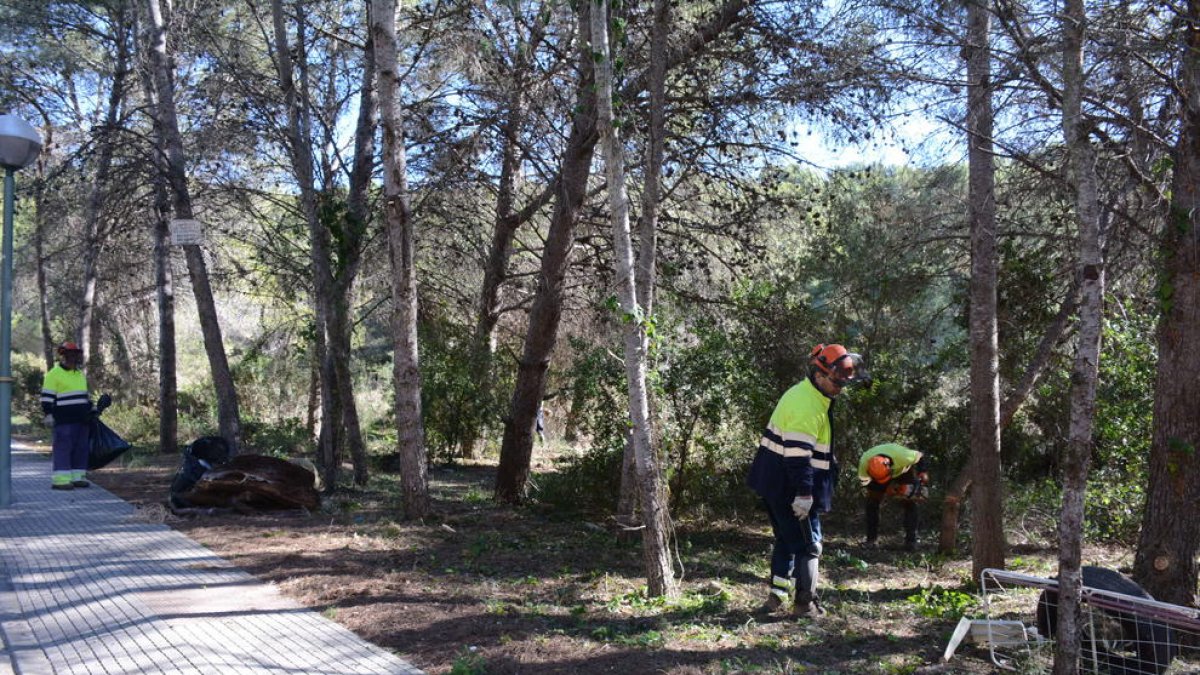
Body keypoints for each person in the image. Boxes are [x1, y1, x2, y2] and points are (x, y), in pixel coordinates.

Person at [747, 343, 868, 617]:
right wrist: (804, 494)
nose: (841, 388)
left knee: (786, 538)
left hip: (776, 483)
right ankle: (805, 604)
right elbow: (797, 457)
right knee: (809, 546)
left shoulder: (807, 394)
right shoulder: (808, 405)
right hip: (790, 487)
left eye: (844, 383)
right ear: (819, 374)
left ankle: (777, 596)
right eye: (837, 382)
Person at [40, 341, 96, 490]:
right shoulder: (54, 374)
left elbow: (83, 395)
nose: (73, 357)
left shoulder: (79, 374)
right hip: (64, 420)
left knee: (81, 448)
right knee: (63, 448)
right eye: (69, 354)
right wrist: (48, 414)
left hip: (82, 419)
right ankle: (61, 480)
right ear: (63, 355)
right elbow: (47, 397)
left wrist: (91, 408)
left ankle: (78, 477)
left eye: (75, 354)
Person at [858, 443, 928, 551]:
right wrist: (885, 489)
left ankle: (911, 541)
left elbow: (920, 455)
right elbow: (866, 483)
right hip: (875, 479)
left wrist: (923, 472)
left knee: (910, 502)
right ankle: (871, 540)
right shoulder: (864, 464)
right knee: (872, 503)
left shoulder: (902, 456)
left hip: (902, 471)